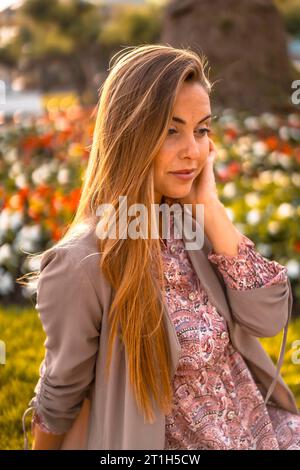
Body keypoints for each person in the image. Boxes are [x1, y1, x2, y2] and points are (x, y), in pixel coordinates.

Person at [21, 44, 300, 450]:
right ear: (131, 135)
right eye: (171, 130)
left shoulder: (192, 225)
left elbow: (271, 317)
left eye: (201, 130)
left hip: (263, 432)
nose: (193, 150)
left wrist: (210, 205)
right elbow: (60, 392)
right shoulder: (82, 262)